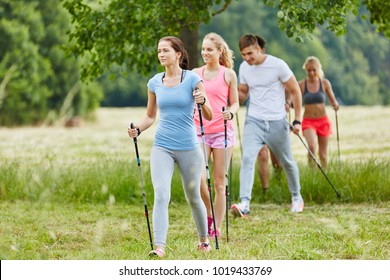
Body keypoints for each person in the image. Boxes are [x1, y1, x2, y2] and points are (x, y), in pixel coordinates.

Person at [127, 36, 213, 257]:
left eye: (165, 50)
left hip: (189, 147)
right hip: (162, 146)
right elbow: (150, 116)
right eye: (158, 51)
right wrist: (138, 128)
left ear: (178, 54)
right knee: (161, 194)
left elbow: (209, 114)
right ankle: (159, 246)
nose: (161, 54)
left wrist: (202, 101)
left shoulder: (193, 79)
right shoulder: (155, 82)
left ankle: (204, 240)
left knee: (194, 195)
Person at [231, 34, 304, 217]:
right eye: (243, 55)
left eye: (249, 53)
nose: (247, 58)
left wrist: (297, 120)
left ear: (259, 49)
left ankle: (297, 198)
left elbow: (295, 90)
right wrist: (229, 97)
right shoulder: (244, 68)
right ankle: (244, 203)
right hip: (254, 121)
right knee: (247, 158)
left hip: (277, 121)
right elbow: (242, 93)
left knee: (286, 161)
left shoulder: (278, 65)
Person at [192, 32, 239, 238]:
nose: (205, 53)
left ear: (219, 51)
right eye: (203, 49)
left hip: (222, 132)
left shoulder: (228, 74)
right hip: (199, 131)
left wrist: (232, 112)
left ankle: (216, 228)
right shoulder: (195, 74)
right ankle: (209, 214)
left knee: (220, 183)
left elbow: (235, 102)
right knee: (199, 179)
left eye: (209, 49)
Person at [298, 56, 340, 169]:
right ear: (305, 69)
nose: (311, 73)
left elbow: (333, 100)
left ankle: (325, 176)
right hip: (308, 121)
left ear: (318, 69)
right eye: (309, 70)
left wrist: (335, 104)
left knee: (323, 155)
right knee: (311, 146)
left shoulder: (325, 83)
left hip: (323, 121)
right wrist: (288, 104)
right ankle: (313, 174)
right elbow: (294, 100)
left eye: (314, 70)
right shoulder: (301, 85)